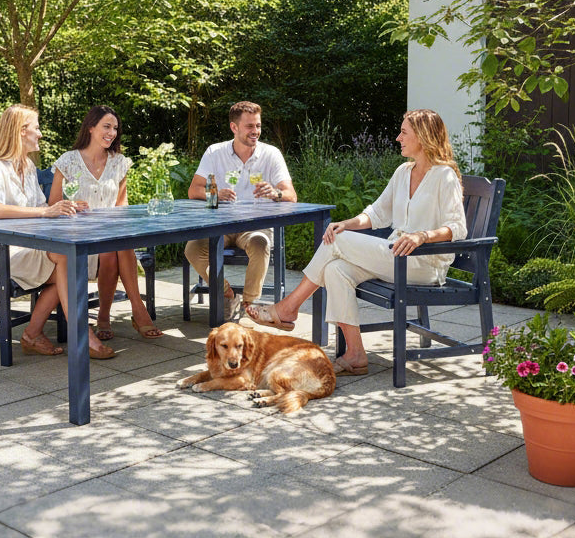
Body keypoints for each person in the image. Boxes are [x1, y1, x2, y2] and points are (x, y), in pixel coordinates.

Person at [247, 109, 467, 376]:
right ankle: (355, 355)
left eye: (404, 132)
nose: (398, 138)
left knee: (335, 243)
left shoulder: (444, 176)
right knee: (334, 269)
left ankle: (288, 308)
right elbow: (377, 213)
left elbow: (457, 227)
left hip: (424, 263)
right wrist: (348, 223)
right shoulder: (403, 172)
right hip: (395, 256)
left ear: (423, 137)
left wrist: (423, 235)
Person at [0, 104, 114, 360]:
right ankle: (81, 333)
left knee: (69, 267)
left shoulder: (27, 166)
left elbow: (41, 207)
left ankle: (31, 334)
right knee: (65, 262)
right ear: (20, 131)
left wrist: (65, 207)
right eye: (36, 128)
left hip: (23, 248)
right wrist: (46, 213)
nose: (40, 134)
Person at [49, 106, 162, 341]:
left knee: (117, 245)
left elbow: (122, 206)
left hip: (109, 234)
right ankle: (136, 311)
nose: (112, 132)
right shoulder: (68, 161)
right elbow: (53, 204)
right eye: (106, 127)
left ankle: (107, 317)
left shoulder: (118, 162)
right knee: (116, 247)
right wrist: (71, 207)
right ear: (90, 128)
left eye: (115, 128)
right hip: (77, 235)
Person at [184, 101, 297, 319]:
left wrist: (275, 193)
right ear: (234, 127)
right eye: (249, 126)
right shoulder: (215, 152)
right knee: (192, 249)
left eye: (258, 126)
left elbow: (291, 195)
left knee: (260, 243)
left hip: (256, 226)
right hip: (221, 225)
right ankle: (227, 294)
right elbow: (193, 190)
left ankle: (248, 302)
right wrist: (214, 194)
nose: (255, 131)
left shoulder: (271, 154)